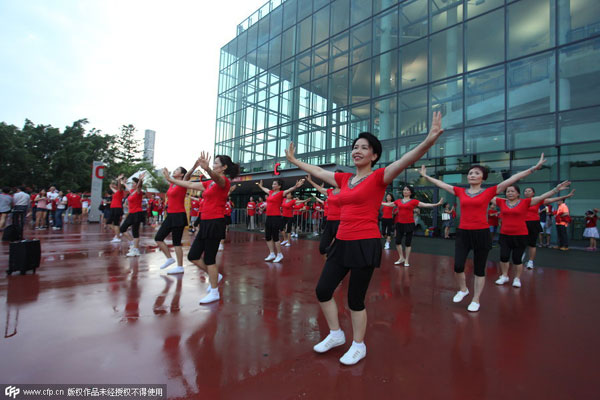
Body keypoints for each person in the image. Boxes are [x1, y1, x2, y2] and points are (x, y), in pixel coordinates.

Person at [285, 112, 444, 365]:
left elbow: (405, 160)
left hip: (365, 242)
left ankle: (359, 345)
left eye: (364, 147)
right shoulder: (344, 179)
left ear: (374, 155)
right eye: (355, 147)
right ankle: (336, 335)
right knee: (323, 290)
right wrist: (295, 161)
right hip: (342, 241)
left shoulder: (379, 177)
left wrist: (429, 140)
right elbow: (317, 170)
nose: (357, 151)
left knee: (355, 300)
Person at [419, 152, 549, 312]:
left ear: (483, 178)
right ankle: (464, 289)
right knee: (458, 266)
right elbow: (442, 185)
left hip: (481, 233)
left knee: (479, 269)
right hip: (463, 234)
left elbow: (511, 180)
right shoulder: (461, 192)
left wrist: (533, 168)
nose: (472, 175)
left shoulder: (489, 192)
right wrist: (426, 176)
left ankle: (476, 299)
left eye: (476, 173)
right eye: (470, 173)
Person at [163, 152, 240, 304]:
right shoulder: (209, 183)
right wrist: (170, 179)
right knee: (193, 256)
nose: (213, 165)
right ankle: (215, 276)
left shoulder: (223, 181)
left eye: (216, 163)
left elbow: (218, 179)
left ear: (224, 167)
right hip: (205, 222)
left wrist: (208, 170)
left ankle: (214, 291)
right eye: (214, 163)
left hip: (215, 222)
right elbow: (190, 185)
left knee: (210, 258)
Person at [493, 181, 570, 288]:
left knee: (517, 259)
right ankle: (504, 276)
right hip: (505, 235)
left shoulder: (525, 202)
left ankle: (517, 278)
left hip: (520, 235)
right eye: (508, 191)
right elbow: (487, 195)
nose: (510, 193)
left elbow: (543, 197)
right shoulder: (501, 202)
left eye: (512, 191)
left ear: (518, 194)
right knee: (504, 257)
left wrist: (556, 189)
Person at [382, 186, 443, 266]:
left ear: (410, 192)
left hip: (409, 224)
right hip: (400, 224)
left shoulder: (413, 201)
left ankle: (406, 260)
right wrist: (379, 202)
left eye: (407, 190)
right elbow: (389, 204)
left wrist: (437, 204)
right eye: (404, 189)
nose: (405, 191)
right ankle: (401, 258)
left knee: (408, 243)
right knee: (397, 242)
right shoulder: (398, 201)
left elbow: (424, 204)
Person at [523, 187, 575, 269]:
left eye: (529, 191)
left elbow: (552, 199)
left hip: (533, 223)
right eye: (525, 191)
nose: (527, 192)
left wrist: (566, 196)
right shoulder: (521, 202)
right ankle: (520, 258)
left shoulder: (538, 200)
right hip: (522, 223)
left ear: (533, 193)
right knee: (521, 243)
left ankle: (530, 262)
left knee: (532, 244)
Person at [156, 165, 195, 274]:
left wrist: (194, 167)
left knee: (176, 243)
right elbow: (169, 180)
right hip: (170, 215)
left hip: (178, 215)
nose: (175, 170)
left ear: (182, 174)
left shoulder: (183, 183)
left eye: (177, 170)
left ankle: (180, 267)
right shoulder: (172, 183)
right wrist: (166, 175)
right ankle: (169, 258)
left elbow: (188, 175)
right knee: (158, 238)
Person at [256, 178, 305, 263]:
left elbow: (289, 190)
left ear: (279, 186)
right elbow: (265, 189)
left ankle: (279, 254)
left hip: (276, 216)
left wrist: (295, 186)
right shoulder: (270, 193)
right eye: (273, 184)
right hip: (269, 216)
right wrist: (260, 186)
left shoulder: (281, 193)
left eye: (275, 184)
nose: (273, 185)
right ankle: (272, 253)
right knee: (268, 236)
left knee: (275, 236)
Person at [306, 175, 341, 256]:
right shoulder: (330, 191)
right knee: (322, 248)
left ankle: (336, 257)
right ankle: (334, 252)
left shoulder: (346, 190)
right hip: (329, 221)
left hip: (340, 221)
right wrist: (311, 181)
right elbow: (320, 189)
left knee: (340, 243)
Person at [119, 174, 146, 257]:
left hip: (137, 213)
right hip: (132, 213)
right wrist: (122, 182)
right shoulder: (131, 192)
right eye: (132, 183)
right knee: (126, 229)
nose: (132, 184)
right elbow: (126, 186)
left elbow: (139, 186)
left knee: (131, 231)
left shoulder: (138, 192)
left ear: (136, 184)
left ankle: (134, 248)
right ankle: (133, 245)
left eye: (134, 183)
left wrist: (140, 180)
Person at [108, 175, 127, 242]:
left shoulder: (120, 191)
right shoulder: (116, 193)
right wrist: (111, 185)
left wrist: (119, 180)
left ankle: (118, 237)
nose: (115, 186)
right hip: (113, 208)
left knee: (116, 223)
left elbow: (119, 187)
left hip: (117, 208)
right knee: (109, 223)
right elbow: (111, 187)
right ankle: (118, 233)